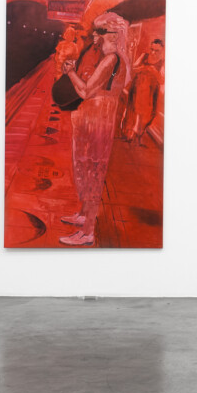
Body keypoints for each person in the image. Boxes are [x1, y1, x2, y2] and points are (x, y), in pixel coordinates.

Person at [57, 12, 132, 246]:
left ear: (114, 35)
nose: (94, 35)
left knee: (93, 173)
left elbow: (86, 91)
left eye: (100, 31)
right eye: (95, 30)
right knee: (85, 168)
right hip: (92, 119)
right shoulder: (107, 58)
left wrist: (70, 72)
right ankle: (83, 214)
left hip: (98, 123)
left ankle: (88, 231)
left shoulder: (111, 60)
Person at [123, 38, 164, 144]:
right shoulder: (144, 56)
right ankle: (131, 133)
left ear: (162, 50)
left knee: (147, 114)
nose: (153, 52)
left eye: (156, 51)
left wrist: (154, 71)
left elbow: (162, 80)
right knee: (133, 110)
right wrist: (143, 68)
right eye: (152, 49)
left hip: (150, 92)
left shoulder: (162, 62)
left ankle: (138, 132)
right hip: (137, 87)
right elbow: (133, 69)